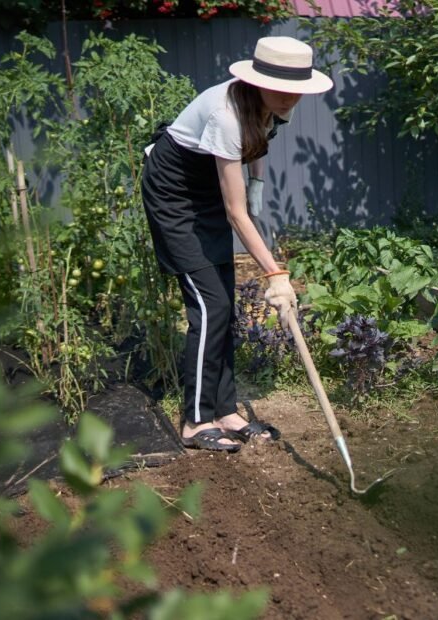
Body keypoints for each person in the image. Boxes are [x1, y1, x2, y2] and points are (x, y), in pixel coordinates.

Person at [141, 36, 333, 452]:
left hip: (206, 187)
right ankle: (195, 420)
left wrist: (258, 180)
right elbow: (235, 213)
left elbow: (258, 138)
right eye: (282, 90)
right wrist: (276, 274)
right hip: (174, 195)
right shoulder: (225, 115)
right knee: (210, 307)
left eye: (296, 92)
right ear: (258, 81)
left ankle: (225, 410)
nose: (289, 99)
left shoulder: (272, 104)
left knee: (224, 302)